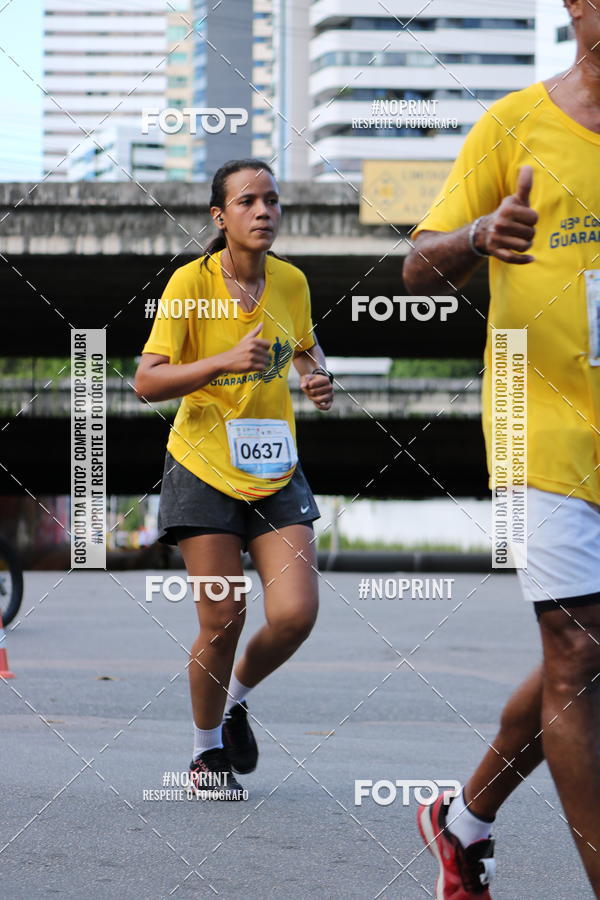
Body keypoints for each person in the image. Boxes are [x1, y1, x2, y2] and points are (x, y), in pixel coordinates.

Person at [403, 0, 600, 895]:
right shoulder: (512, 122)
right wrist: (479, 236)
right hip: (541, 427)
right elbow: (417, 265)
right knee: (576, 650)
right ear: (572, 4)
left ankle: (463, 818)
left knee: (589, 654)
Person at [134, 159, 334, 799]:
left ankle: (236, 697)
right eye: (248, 201)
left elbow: (303, 342)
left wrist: (314, 373)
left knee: (297, 612)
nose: (264, 211)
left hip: (274, 464)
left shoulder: (293, 282)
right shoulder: (187, 285)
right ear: (220, 217)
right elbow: (145, 381)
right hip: (203, 465)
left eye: (272, 200)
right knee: (223, 616)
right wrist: (223, 359)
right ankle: (205, 751)